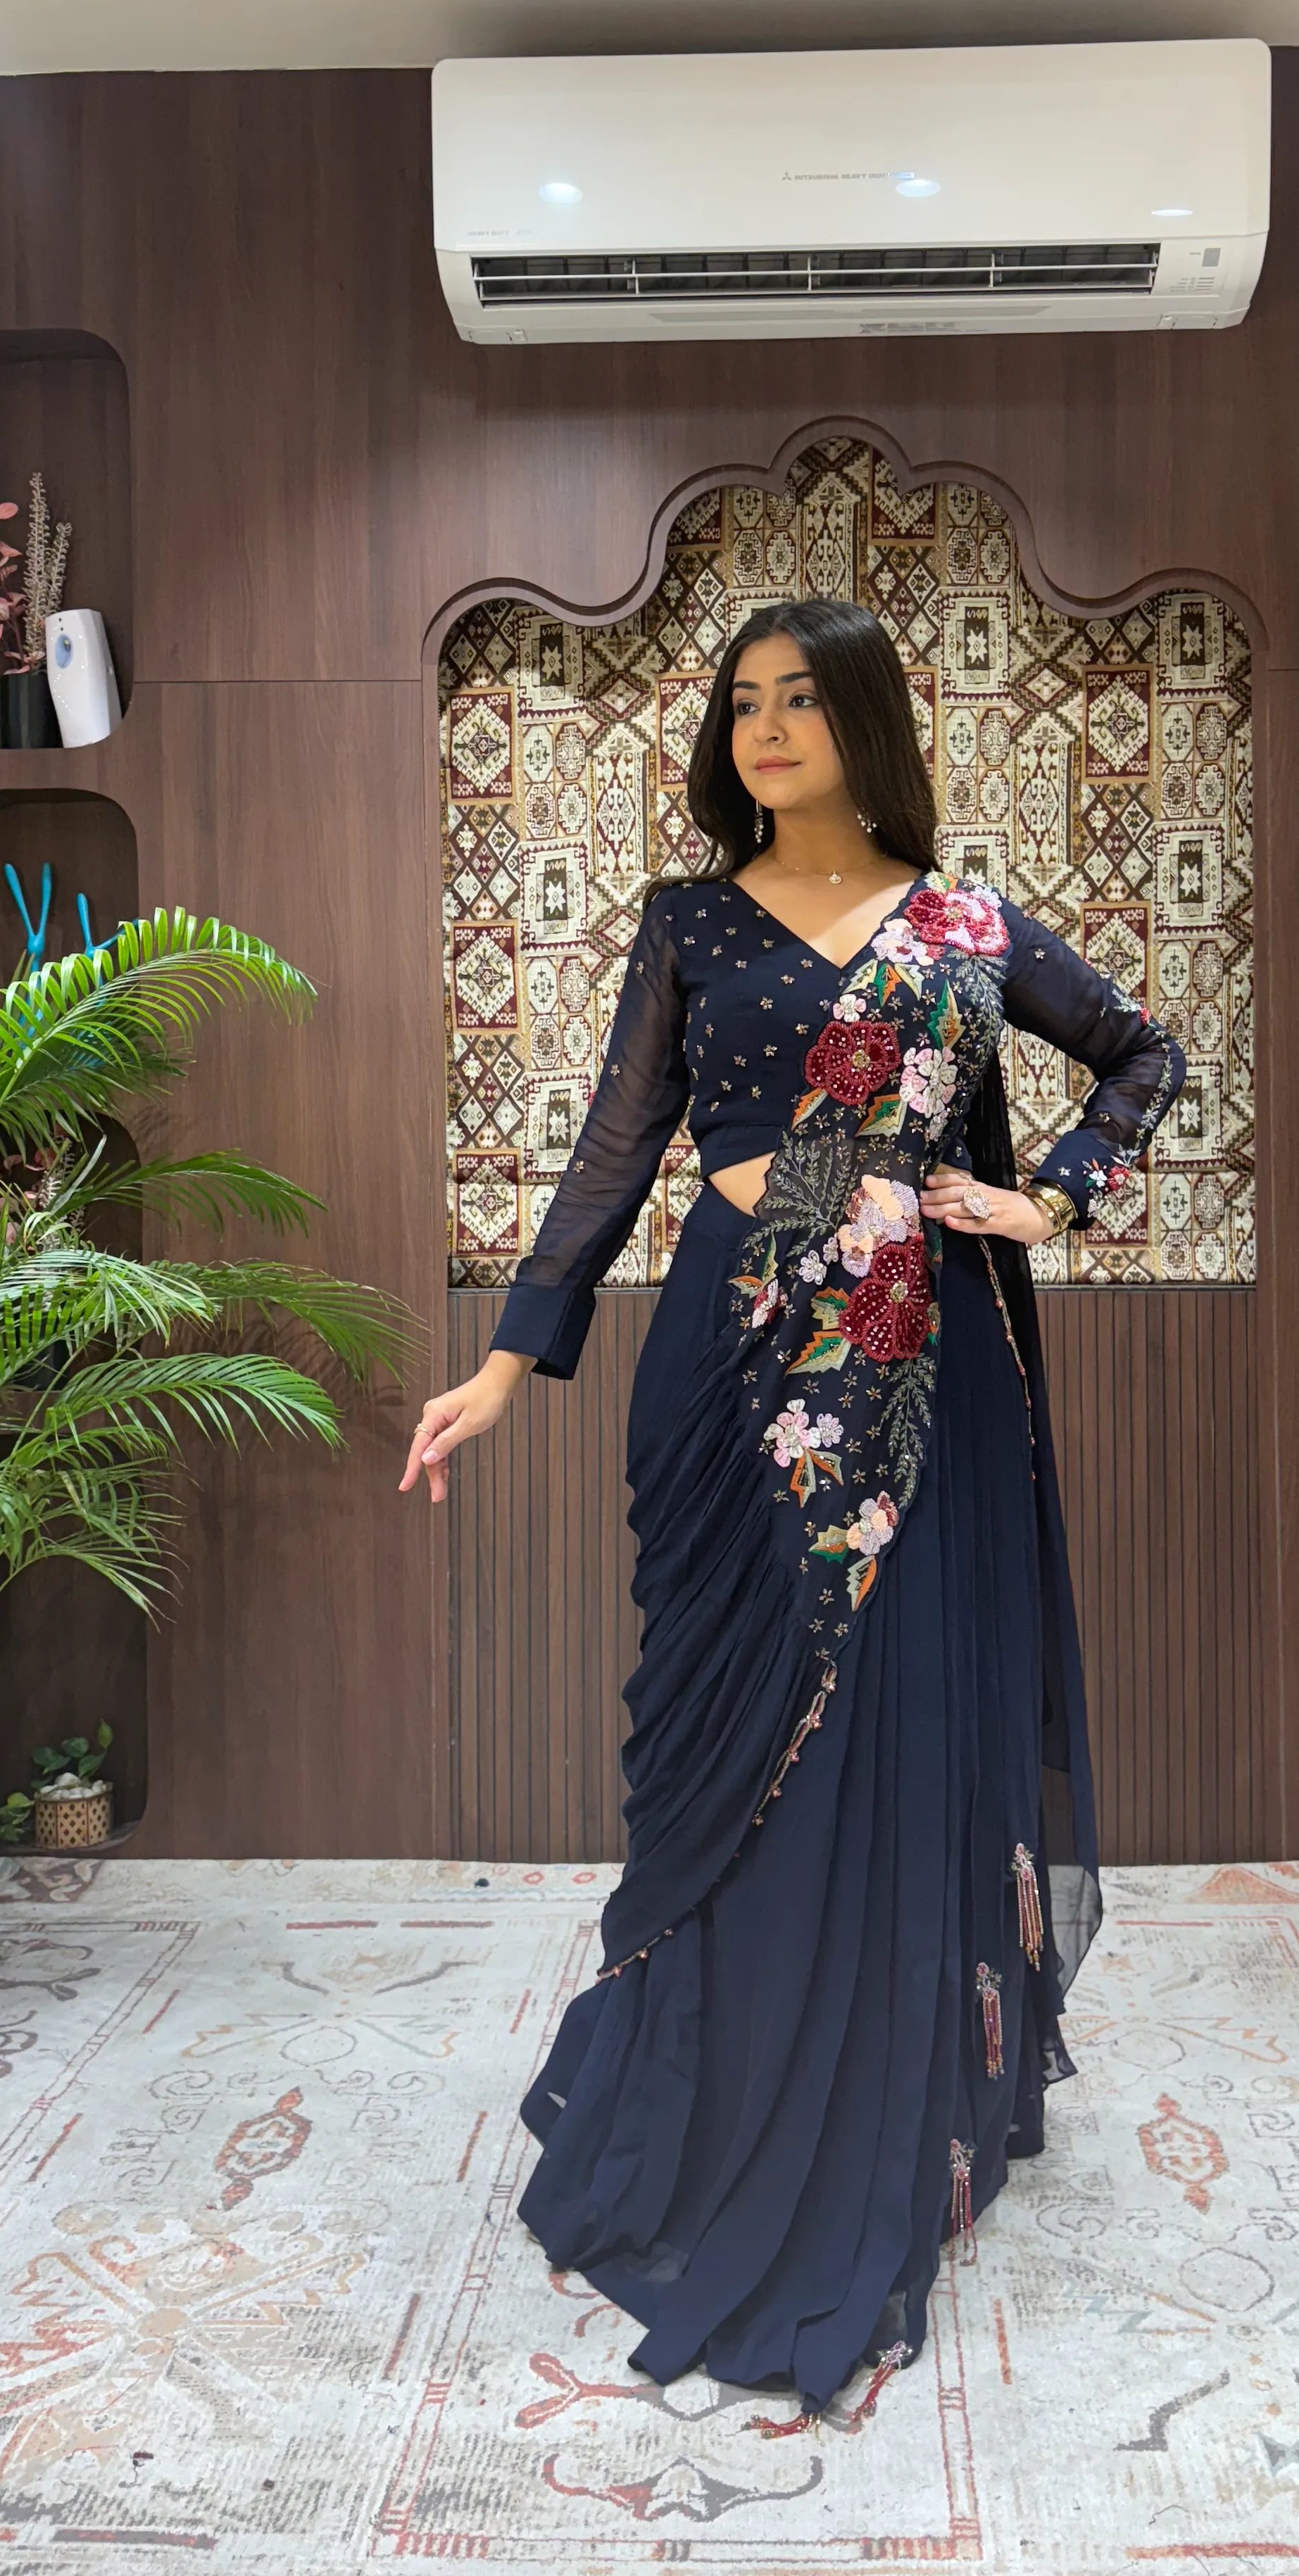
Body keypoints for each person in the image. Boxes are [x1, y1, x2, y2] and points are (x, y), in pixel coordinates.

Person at [403, 597, 1184, 2423]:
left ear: (866, 720)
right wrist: (510, 1361)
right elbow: (614, 1150)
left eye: (800, 700)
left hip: (927, 1375)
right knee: (728, 1741)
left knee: (891, 1738)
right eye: (741, 702)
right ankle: (729, 2081)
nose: (764, 728)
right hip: (734, 1357)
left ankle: (896, 2102)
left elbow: (1141, 1056)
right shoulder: (687, 926)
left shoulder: (970, 929)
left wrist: (1051, 1195)